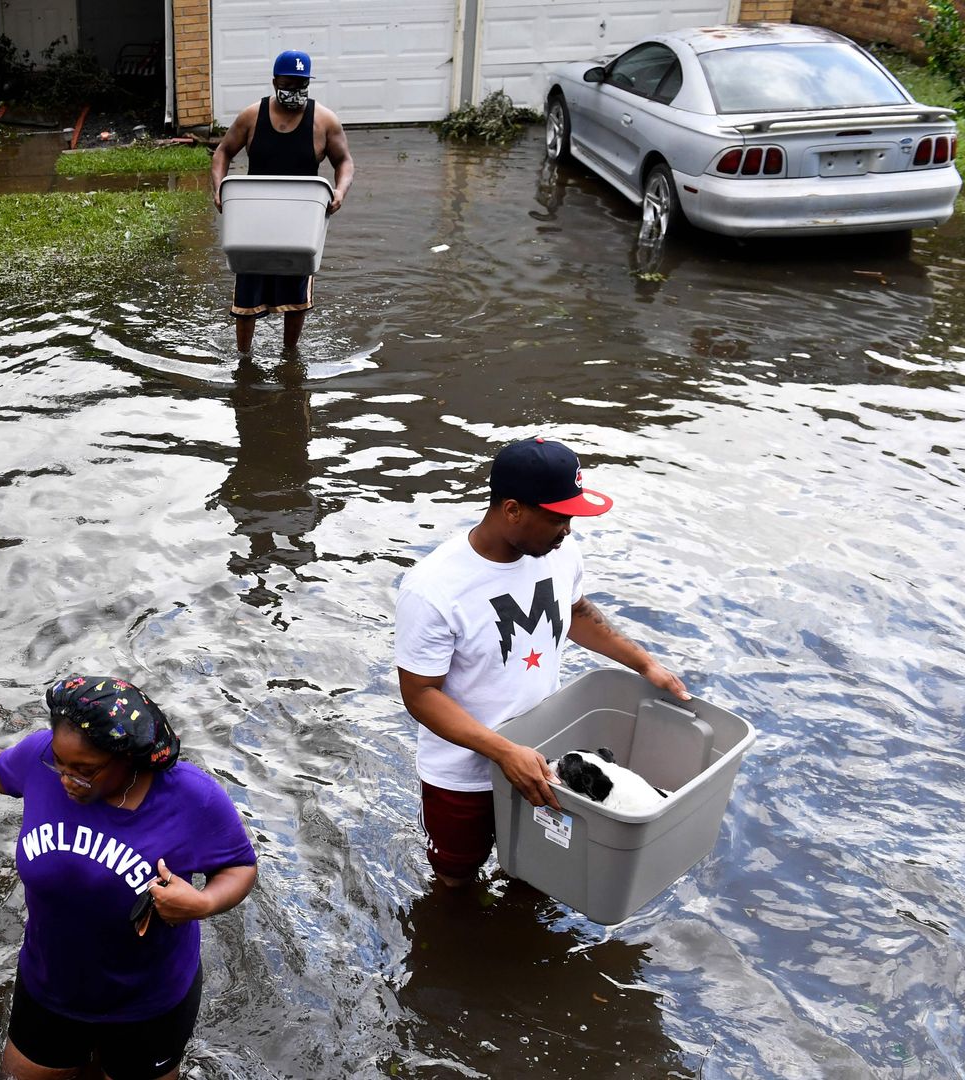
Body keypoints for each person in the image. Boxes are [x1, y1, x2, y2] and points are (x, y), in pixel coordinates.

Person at [0, 675, 258, 1080]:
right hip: (51, 985)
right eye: (59, 763)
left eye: (86, 769)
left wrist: (202, 904)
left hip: (147, 1004)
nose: (67, 778)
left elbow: (240, 866)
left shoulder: (191, 798)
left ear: (129, 759)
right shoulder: (44, 762)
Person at [393, 438, 689, 887]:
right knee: (455, 877)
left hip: (541, 757)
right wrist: (503, 752)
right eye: (558, 516)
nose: (568, 529)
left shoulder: (558, 553)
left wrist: (644, 664)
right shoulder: (433, 588)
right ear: (512, 509)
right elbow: (420, 694)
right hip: (462, 774)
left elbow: (577, 613)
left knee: (540, 872)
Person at [210, 49, 355, 354]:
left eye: (302, 85)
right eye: (288, 85)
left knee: (296, 295)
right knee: (247, 291)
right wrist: (219, 188)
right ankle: (243, 358)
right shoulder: (252, 116)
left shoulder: (324, 121)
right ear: (275, 81)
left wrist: (340, 190)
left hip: (300, 222)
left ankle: (289, 354)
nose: (295, 92)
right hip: (254, 219)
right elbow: (223, 152)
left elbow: (344, 161)